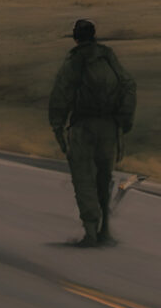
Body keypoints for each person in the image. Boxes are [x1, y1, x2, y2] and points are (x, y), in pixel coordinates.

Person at [47, 17, 136, 245]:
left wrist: (57, 126)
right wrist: (124, 121)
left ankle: (90, 232)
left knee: (84, 178)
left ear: (76, 37)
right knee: (104, 178)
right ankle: (104, 228)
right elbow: (128, 84)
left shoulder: (75, 61)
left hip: (83, 127)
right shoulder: (108, 57)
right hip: (109, 127)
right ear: (94, 35)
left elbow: (61, 93)